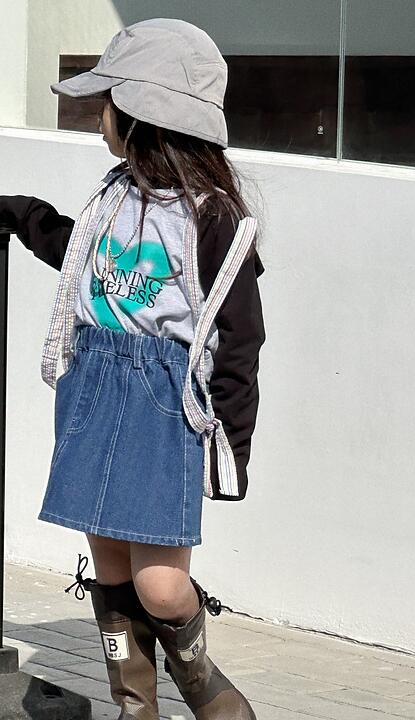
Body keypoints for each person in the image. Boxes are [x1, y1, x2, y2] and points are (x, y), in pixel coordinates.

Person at [0, 19, 265, 720]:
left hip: (162, 401)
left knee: (161, 588)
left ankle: (212, 694)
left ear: (145, 114)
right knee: (112, 570)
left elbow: (240, 337)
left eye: (107, 105)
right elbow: (84, 266)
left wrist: (231, 445)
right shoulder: (115, 194)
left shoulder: (212, 217)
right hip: (93, 383)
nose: (101, 119)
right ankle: (134, 706)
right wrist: (24, 215)